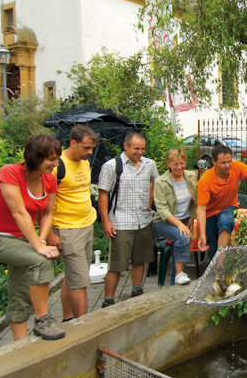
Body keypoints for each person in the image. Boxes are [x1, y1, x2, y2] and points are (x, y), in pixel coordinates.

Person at [0, 134, 65, 341]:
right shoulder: (10, 173)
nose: (56, 164)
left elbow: (47, 213)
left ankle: (19, 345)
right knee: (40, 262)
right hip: (0, 239)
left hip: (25, 240)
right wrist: (38, 246)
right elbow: (19, 212)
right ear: (35, 157)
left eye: (57, 159)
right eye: (51, 159)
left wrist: (42, 240)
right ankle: (43, 319)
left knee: (20, 291)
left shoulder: (49, 179)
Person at [98, 132, 159, 307]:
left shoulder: (149, 164)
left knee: (139, 260)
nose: (140, 152)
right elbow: (103, 194)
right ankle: (108, 300)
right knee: (117, 264)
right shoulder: (112, 166)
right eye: (136, 148)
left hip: (143, 220)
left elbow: (158, 184)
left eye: (142, 148)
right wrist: (106, 221)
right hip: (121, 222)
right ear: (126, 147)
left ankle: (137, 291)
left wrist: (150, 204)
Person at [47, 125, 99, 320]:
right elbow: (45, 203)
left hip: (86, 225)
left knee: (73, 275)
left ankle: (68, 318)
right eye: (86, 148)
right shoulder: (57, 166)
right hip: (67, 229)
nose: (90, 152)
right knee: (80, 281)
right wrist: (51, 234)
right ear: (73, 143)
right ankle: (84, 327)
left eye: (92, 148)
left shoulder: (84, 162)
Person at [196, 144, 247, 259]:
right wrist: (202, 234)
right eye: (223, 163)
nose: (227, 165)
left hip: (229, 207)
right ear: (214, 162)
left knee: (225, 221)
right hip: (210, 213)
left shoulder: (236, 167)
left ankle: (220, 270)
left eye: (229, 161)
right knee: (212, 252)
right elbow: (201, 209)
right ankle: (218, 270)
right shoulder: (205, 180)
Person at [153, 147, 198, 285]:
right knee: (182, 236)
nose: (179, 167)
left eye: (182, 163)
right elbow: (162, 210)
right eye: (175, 164)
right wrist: (179, 224)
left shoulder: (191, 176)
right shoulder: (161, 182)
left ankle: (175, 284)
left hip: (184, 218)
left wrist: (192, 215)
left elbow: (196, 199)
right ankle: (179, 273)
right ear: (168, 164)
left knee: (180, 243)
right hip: (163, 221)